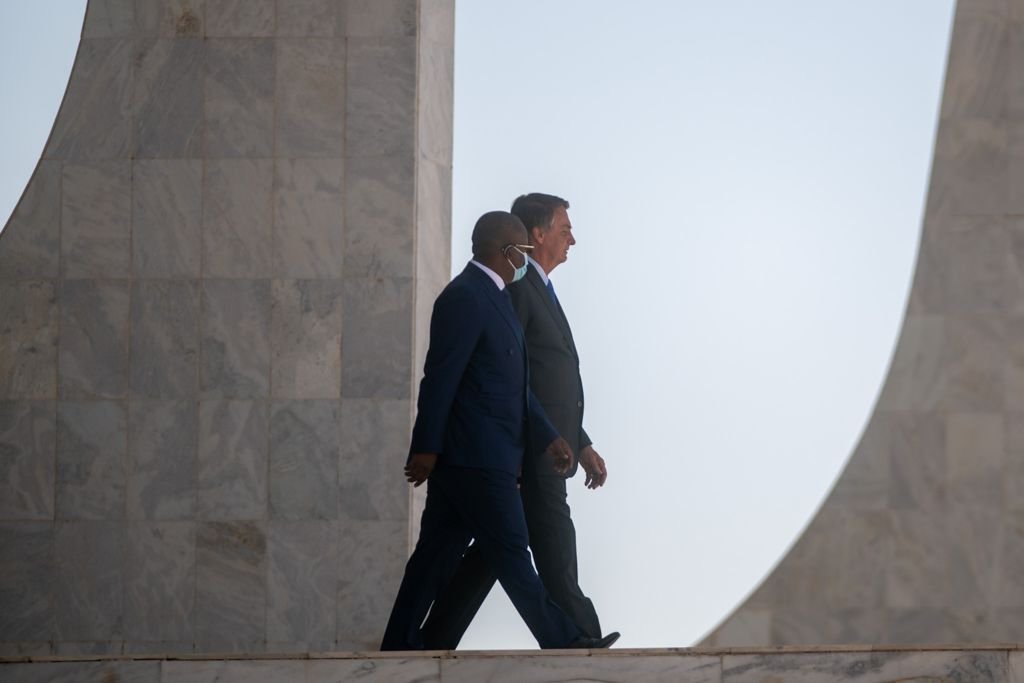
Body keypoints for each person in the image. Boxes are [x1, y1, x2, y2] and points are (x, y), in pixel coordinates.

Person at [379, 210, 618, 651]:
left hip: (485, 460)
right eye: (524, 252)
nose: (526, 261)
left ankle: (400, 646)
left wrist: (551, 436)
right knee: (512, 548)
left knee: (433, 559)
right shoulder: (464, 297)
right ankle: (561, 638)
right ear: (507, 252)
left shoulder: (499, 299)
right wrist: (426, 447)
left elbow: (518, 387)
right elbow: (440, 377)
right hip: (475, 458)